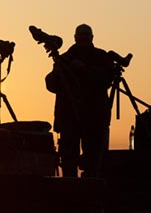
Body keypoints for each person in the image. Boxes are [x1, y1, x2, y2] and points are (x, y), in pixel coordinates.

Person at [45, 24, 114, 177]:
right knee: (69, 160)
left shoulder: (101, 57)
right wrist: (59, 71)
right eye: (81, 35)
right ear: (75, 37)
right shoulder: (64, 58)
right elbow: (52, 85)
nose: (83, 38)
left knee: (94, 161)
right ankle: (71, 193)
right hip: (69, 117)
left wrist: (84, 69)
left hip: (94, 117)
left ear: (91, 37)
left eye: (85, 35)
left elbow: (107, 79)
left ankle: (92, 193)